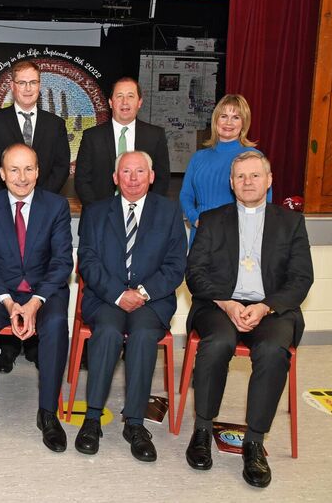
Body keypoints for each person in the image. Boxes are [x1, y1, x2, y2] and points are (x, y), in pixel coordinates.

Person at [184, 151, 313, 488]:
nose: (247, 182)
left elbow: (301, 278)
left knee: (272, 351)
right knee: (217, 343)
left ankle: (254, 442)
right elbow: (194, 273)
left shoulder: (290, 222)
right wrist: (227, 304)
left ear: (269, 180)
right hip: (219, 305)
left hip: (271, 308)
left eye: (255, 176)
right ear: (231, 183)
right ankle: (202, 430)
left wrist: (265, 307)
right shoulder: (212, 220)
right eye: (240, 177)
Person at [76, 150, 187, 462]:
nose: (133, 178)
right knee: (108, 332)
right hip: (106, 297)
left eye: (140, 172)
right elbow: (88, 261)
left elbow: (176, 265)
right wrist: (117, 294)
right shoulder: (96, 212)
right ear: (115, 178)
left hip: (151, 300)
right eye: (126, 172)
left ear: (152, 177)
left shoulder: (168, 211)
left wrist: (143, 292)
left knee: (141, 336)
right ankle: (93, 418)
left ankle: (135, 424)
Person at [0, 143, 72, 452]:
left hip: (44, 293)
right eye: (14, 169)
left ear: (38, 172)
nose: (21, 177)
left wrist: (35, 303)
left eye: (28, 169)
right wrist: (10, 304)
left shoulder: (56, 206)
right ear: (1, 173)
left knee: (55, 324)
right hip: (1, 293)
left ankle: (48, 413)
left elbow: (62, 262)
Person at [0, 59, 71, 374]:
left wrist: (36, 197)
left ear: (39, 85)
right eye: (22, 82)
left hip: (41, 209)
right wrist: (14, 192)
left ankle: (35, 347)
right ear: (12, 86)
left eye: (33, 82)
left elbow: (60, 165)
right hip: (5, 209)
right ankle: (7, 350)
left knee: (35, 272)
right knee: (8, 272)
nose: (28, 88)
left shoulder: (55, 124)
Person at [180, 94, 270, 244]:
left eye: (236, 117)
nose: (228, 122)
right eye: (223, 116)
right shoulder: (198, 157)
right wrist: (196, 220)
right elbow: (186, 195)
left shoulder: (253, 157)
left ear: (244, 123)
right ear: (216, 120)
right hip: (201, 231)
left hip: (236, 233)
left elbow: (264, 199)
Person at [74, 77, 170, 209]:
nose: (125, 102)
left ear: (139, 102)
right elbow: (82, 180)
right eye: (119, 96)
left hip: (143, 216)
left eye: (130, 96)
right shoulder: (92, 136)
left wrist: (147, 210)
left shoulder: (155, 136)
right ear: (111, 102)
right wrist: (97, 212)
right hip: (99, 217)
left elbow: (162, 179)